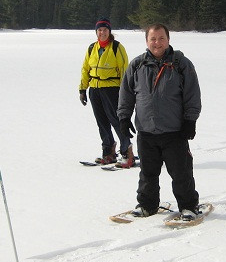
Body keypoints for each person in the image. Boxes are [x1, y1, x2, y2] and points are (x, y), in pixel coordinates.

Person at [117, 23, 202, 220]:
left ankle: (188, 206)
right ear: (147, 41)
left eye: (161, 38)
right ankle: (147, 205)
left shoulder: (182, 64)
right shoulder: (137, 65)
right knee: (148, 174)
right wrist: (123, 117)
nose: (157, 43)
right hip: (146, 132)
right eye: (153, 39)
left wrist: (190, 121)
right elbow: (126, 94)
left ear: (168, 40)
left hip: (174, 132)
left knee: (181, 174)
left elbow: (192, 95)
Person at [79, 18, 135, 167]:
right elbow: (86, 69)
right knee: (102, 122)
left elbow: (124, 70)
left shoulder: (117, 48)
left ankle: (127, 152)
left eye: (105, 30)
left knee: (116, 121)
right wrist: (83, 89)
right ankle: (108, 151)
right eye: (99, 30)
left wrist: (125, 92)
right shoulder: (92, 48)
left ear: (109, 31)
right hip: (95, 90)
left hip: (112, 89)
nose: (102, 33)